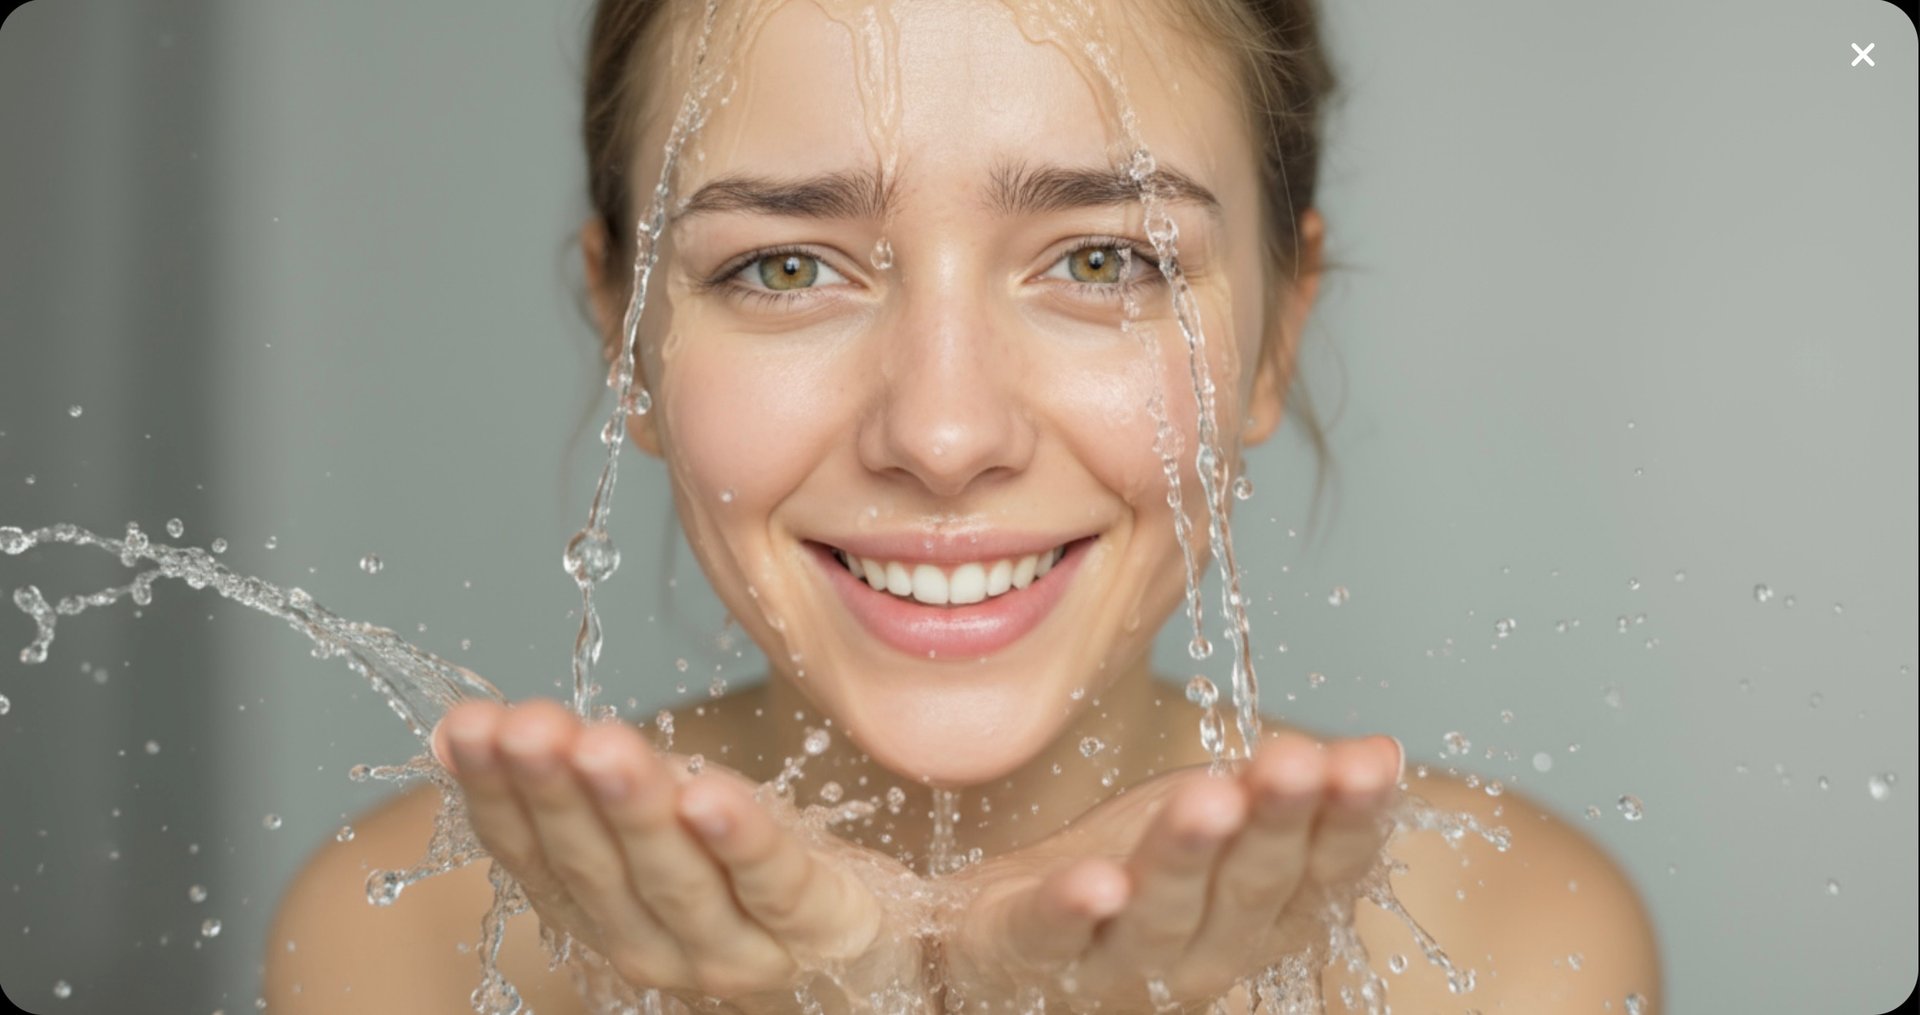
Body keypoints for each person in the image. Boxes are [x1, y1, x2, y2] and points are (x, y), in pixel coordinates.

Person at [264, 0, 1661, 1011]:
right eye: (786, 270)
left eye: (1106, 260)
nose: (942, 433)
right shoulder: (405, 943)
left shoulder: (1502, 948)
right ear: (625, 333)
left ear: (1276, 339)